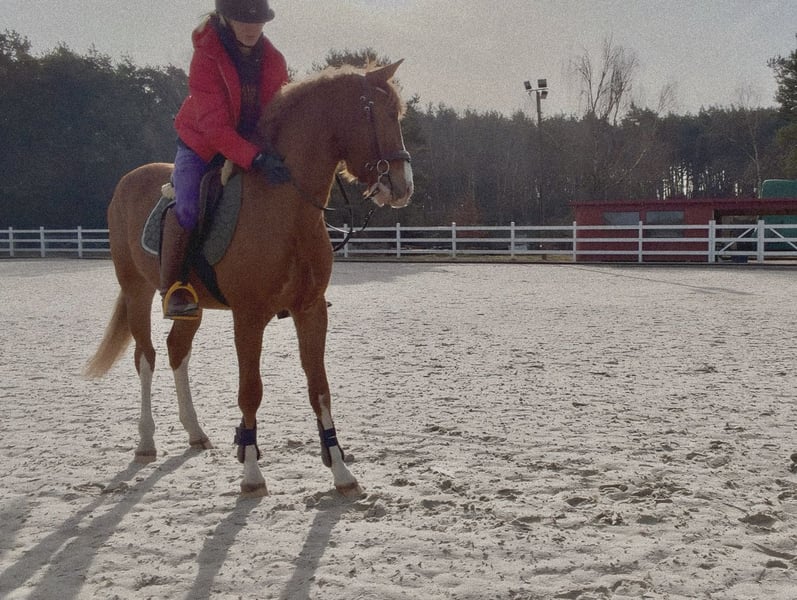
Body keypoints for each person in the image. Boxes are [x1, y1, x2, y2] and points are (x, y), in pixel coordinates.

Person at [161, 0, 290, 319]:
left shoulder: (274, 60)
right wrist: (255, 159)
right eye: (243, 20)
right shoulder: (206, 55)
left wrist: (273, 152)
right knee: (188, 206)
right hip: (202, 143)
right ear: (225, 19)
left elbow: (275, 113)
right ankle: (174, 287)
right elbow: (215, 128)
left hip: (252, 144)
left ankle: (290, 283)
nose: (251, 28)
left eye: (258, 21)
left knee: (285, 194)